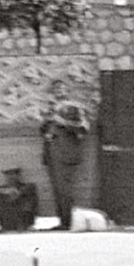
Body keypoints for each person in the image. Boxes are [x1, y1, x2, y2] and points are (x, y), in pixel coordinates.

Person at [41, 92, 89, 230]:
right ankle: (62, 221)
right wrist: (47, 123)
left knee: (65, 191)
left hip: (66, 156)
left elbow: (83, 129)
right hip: (52, 157)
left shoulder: (74, 109)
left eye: (60, 90)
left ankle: (69, 222)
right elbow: (44, 131)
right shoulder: (51, 111)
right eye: (54, 90)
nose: (57, 94)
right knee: (58, 191)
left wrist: (62, 122)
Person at [0, 166, 38, 232]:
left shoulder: (28, 188)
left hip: (23, 222)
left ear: (18, 176)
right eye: (8, 175)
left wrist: (16, 192)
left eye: (13, 174)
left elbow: (29, 189)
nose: (11, 177)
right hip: (6, 222)